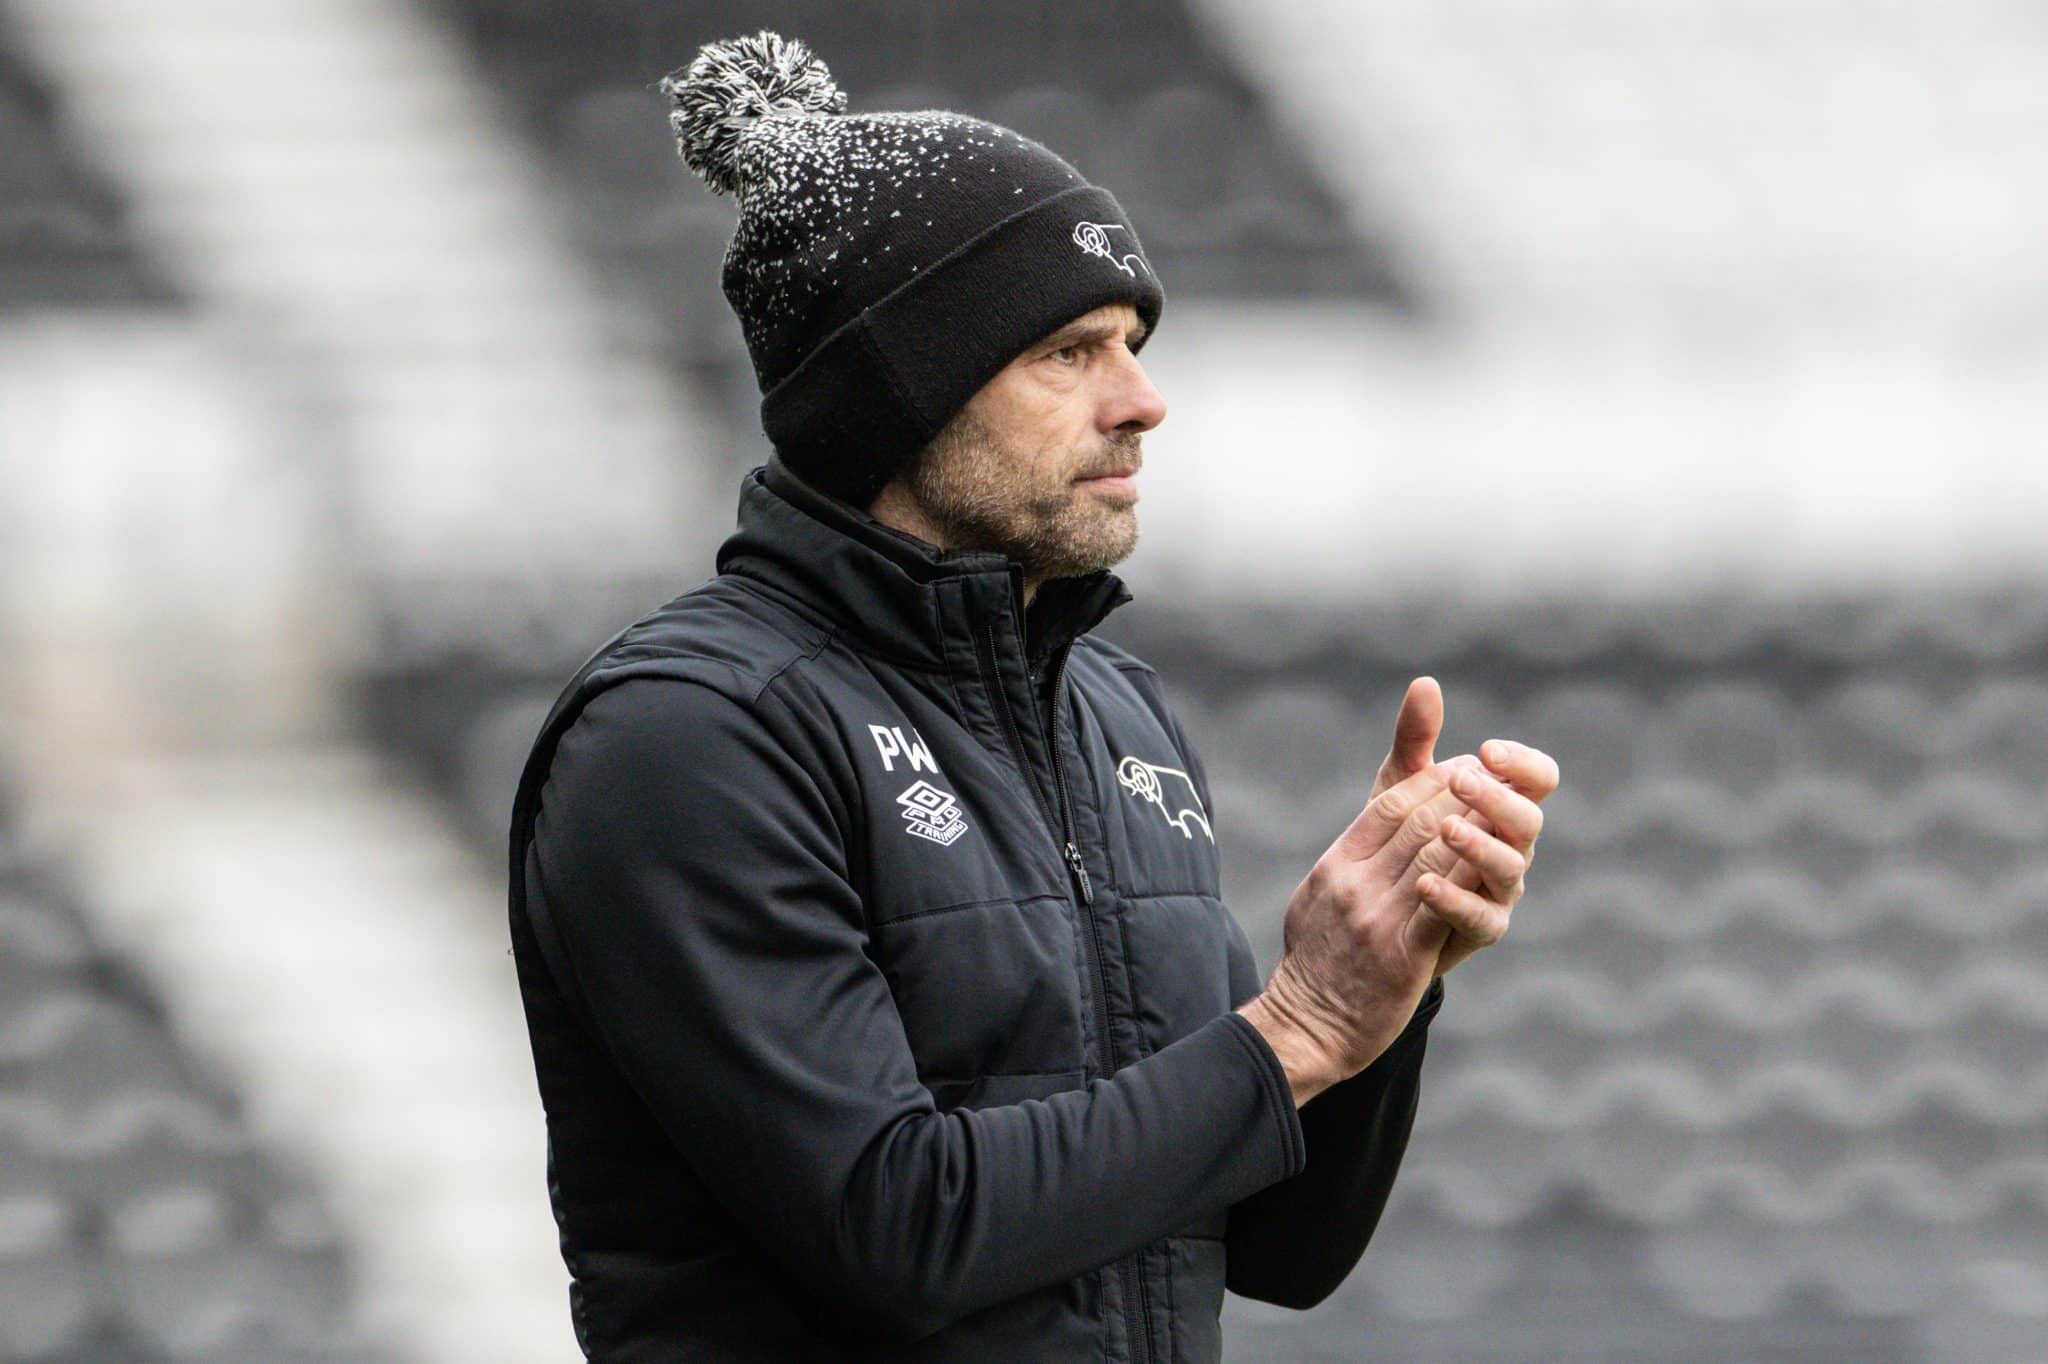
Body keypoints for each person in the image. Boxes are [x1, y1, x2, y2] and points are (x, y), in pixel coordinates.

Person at [506, 30, 1560, 1363]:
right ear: (899, 390)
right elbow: (904, 1229)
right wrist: (1294, 1028)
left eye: (1132, 342)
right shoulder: (690, 735)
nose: (1143, 401)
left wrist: (1383, 1003)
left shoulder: (1113, 709)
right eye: (1070, 351)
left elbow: (1278, 1251)